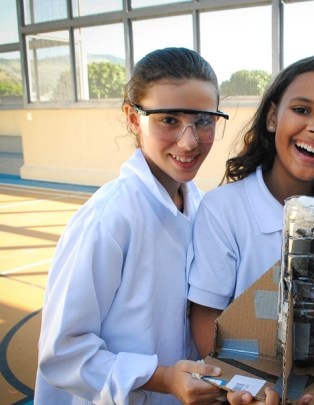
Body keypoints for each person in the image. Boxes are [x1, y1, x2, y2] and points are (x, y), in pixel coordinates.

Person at [35, 47, 228, 404]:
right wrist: (162, 378)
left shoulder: (203, 208)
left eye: (204, 120)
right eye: (168, 119)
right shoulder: (109, 219)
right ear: (133, 117)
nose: (189, 141)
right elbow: (62, 352)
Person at [188, 55, 314, 360]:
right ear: (272, 117)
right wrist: (243, 382)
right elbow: (206, 317)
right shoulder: (223, 209)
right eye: (301, 110)